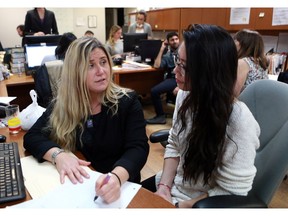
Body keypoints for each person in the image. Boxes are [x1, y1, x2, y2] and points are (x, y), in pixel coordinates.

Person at [141, 24, 260, 208]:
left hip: (203, 202)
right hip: (174, 184)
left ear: (210, 71)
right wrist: (164, 187)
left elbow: (233, 190)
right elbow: (174, 143)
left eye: (184, 66)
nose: (175, 71)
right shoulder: (185, 95)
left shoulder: (239, 121)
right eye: (176, 61)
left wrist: (182, 206)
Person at [23, 37, 149, 204]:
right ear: (75, 72)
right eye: (90, 66)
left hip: (119, 188)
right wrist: (58, 156)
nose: (101, 71)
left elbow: (138, 148)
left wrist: (117, 177)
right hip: (79, 188)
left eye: (103, 62)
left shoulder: (128, 101)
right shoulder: (63, 105)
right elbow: (32, 137)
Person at [146, 32, 180, 124]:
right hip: (173, 78)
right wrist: (162, 49)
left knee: (155, 91)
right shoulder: (167, 55)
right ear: (168, 42)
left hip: (183, 79)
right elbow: (156, 66)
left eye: (176, 39)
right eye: (172, 40)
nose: (175, 41)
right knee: (154, 91)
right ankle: (160, 116)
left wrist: (180, 86)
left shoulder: (184, 52)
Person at [233, 29, 269, 97]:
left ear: (242, 44)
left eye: (235, 40)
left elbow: (234, 93)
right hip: (259, 103)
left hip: (246, 104)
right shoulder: (261, 62)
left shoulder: (243, 62)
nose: (233, 43)